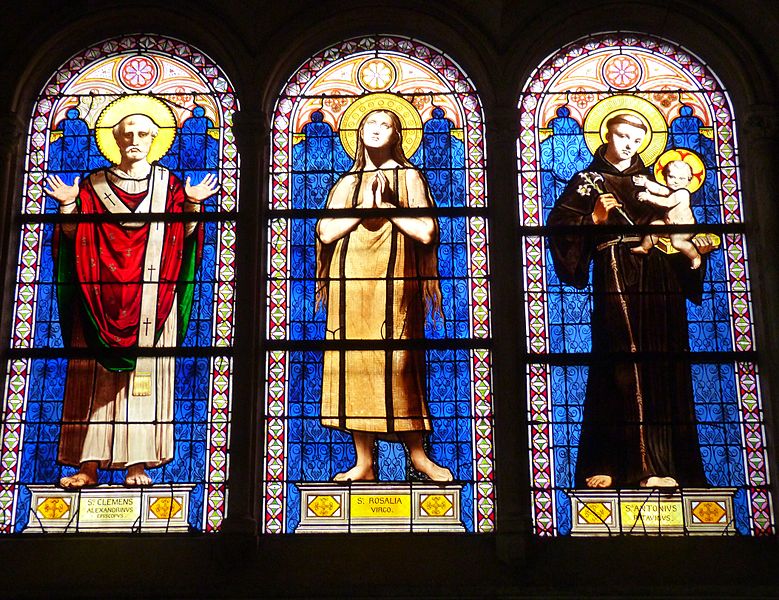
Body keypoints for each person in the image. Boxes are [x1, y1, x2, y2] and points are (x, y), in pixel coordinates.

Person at [45, 100, 218, 488]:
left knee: (146, 379)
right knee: (94, 382)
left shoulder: (171, 186)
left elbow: (185, 237)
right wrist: (69, 206)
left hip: (154, 300)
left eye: (142, 134)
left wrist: (193, 203)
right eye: (127, 135)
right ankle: (88, 465)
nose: (134, 140)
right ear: (116, 140)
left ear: (155, 139)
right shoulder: (91, 186)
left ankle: (137, 464)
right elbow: (72, 239)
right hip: (97, 301)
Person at [547, 113, 712, 489]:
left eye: (636, 140)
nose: (628, 145)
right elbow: (560, 230)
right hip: (615, 270)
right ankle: (615, 463)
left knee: (661, 362)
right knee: (619, 359)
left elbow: (677, 230)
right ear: (606, 134)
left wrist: (695, 252)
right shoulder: (587, 181)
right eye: (622, 136)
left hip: (659, 278)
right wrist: (594, 218)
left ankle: (661, 464)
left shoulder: (655, 184)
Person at [315, 108, 452, 482]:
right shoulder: (347, 183)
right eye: (369, 124)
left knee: (399, 362)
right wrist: (364, 208)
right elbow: (326, 232)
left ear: (397, 135)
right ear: (359, 132)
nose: (376, 130)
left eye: (385, 125)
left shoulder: (409, 177)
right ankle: (364, 462)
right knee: (354, 363)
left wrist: (388, 208)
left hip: (395, 284)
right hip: (351, 283)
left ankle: (419, 455)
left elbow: (426, 232)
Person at [631, 160, 701, 269]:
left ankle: (695, 256)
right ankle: (645, 247)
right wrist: (646, 183)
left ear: (688, 181)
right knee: (653, 227)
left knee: (677, 242)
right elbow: (659, 189)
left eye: (681, 178)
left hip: (684, 228)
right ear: (665, 177)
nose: (676, 181)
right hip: (669, 225)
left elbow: (667, 202)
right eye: (672, 177)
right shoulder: (672, 191)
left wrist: (648, 197)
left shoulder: (683, 193)